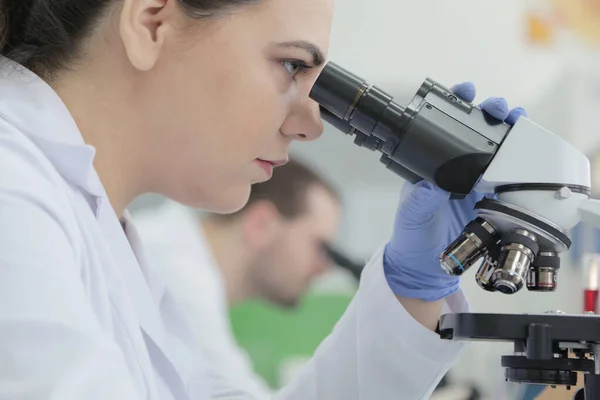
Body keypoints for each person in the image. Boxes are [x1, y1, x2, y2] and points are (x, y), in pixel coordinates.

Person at [0, 0, 527, 398]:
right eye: (293, 65)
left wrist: (412, 289)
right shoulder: (13, 193)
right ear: (151, 22)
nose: (311, 124)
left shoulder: (106, 233)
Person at [132, 159, 342, 398]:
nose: (324, 268)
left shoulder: (179, 258)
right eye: (319, 247)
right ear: (261, 224)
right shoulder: (176, 270)